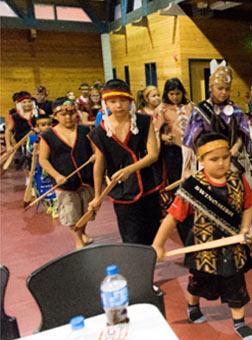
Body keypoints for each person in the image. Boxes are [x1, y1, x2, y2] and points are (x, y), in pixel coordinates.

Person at [152, 133, 252, 340]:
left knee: (236, 284)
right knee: (199, 282)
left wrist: (245, 228)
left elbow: (248, 205)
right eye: (214, 159)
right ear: (201, 160)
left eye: (225, 157)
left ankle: (239, 322)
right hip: (203, 250)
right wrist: (157, 245)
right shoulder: (193, 186)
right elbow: (172, 218)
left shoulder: (238, 179)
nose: (221, 163)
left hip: (232, 248)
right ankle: (193, 306)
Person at [87, 79, 163, 245]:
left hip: (148, 185)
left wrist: (130, 169)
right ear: (105, 103)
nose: (118, 105)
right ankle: (136, 266)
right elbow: (99, 165)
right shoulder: (100, 131)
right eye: (112, 101)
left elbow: (153, 154)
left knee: (152, 232)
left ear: (130, 101)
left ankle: (148, 263)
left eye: (123, 100)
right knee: (130, 236)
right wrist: (97, 196)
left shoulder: (143, 122)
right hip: (122, 191)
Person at [39, 98, 95, 248]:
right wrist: (56, 175)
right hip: (65, 183)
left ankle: (82, 232)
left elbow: (95, 150)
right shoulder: (48, 136)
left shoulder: (84, 130)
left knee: (85, 211)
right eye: (63, 114)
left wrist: (96, 155)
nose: (68, 117)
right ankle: (78, 239)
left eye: (71, 113)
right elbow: (43, 160)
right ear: (55, 116)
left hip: (85, 179)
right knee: (71, 213)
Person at [182, 64, 250, 177]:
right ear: (211, 87)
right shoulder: (200, 111)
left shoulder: (236, 111)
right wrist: (187, 168)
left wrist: (235, 148)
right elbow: (191, 140)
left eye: (227, 89)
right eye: (220, 88)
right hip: (208, 161)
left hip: (232, 160)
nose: (224, 92)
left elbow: (241, 135)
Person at [154, 79, 194, 185]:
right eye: (172, 94)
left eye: (178, 93)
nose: (175, 97)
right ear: (166, 94)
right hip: (173, 150)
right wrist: (163, 137)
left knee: (192, 178)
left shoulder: (191, 106)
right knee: (176, 179)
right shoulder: (161, 109)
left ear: (182, 93)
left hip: (192, 149)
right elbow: (154, 131)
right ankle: (177, 201)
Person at [26, 113, 58, 218]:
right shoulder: (32, 138)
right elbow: (29, 151)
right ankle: (49, 204)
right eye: (43, 125)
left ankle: (55, 206)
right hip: (40, 167)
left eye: (50, 124)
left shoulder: (56, 136)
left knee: (54, 186)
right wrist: (34, 149)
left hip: (54, 165)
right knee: (43, 185)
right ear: (37, 127)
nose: (48, 127)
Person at [6, 91, 40, 170]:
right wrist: (8, 145)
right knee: (28, 163)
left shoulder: (38, 113)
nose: (27, 104)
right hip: (23, 143)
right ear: (19, 104)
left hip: (39, 141)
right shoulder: (14, 116)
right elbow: (8, 131)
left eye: (29, 101)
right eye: (24, 102)